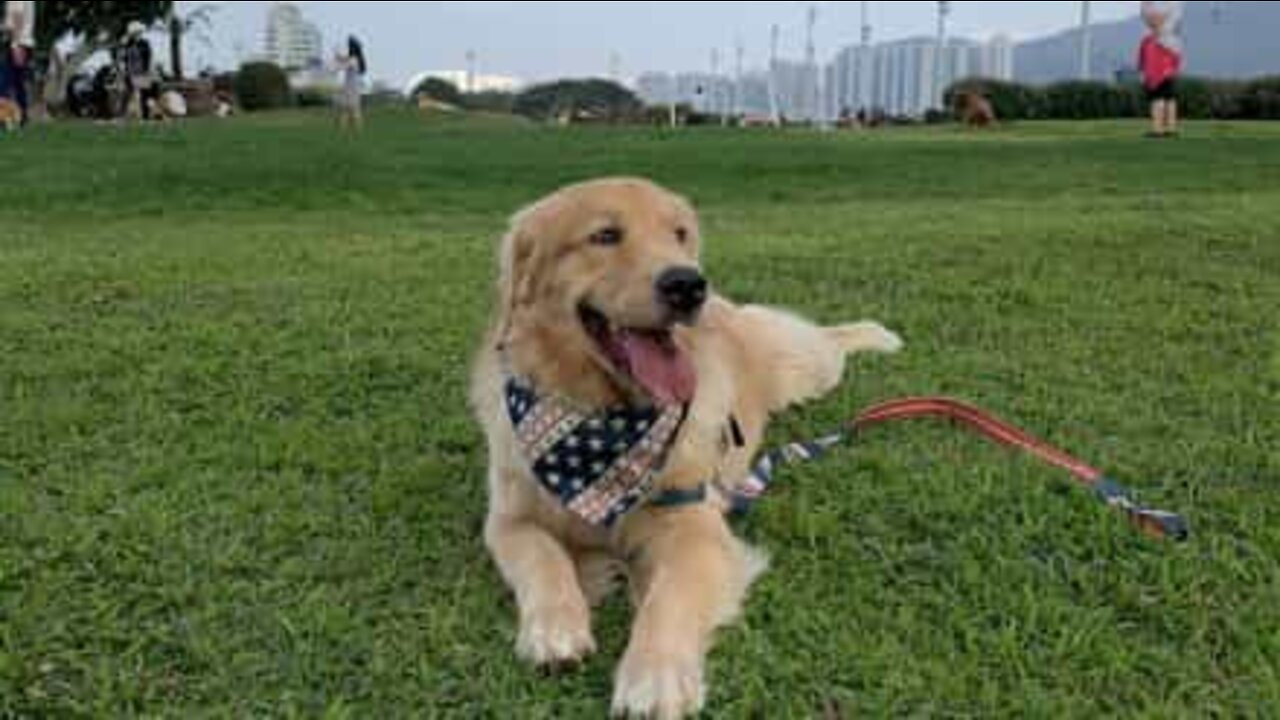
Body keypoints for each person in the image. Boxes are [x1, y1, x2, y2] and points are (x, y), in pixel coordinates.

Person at [1139, 1, 1184, 138]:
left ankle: (1157, 129)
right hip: (1170, 64)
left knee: (1157, 98)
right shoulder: (1174, 39)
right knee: (1170, 97)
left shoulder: (1153, 39)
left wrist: (1143, 71)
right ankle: (1171, 128)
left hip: (1158, 66)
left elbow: (1143, 58)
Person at [4, 0, 35, 125]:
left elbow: (18, 19)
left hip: (18, 43)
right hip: (24, 42)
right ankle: (23, 117)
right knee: (18, 83)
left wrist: (15, 45)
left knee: (4, 82)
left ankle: (5, 118)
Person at [121, 21, 156, 121]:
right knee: (127, 94)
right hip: (130, 72)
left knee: (145, 95)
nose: (137, 34)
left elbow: (148, 58)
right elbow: (124, 57)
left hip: (141, 72)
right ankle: (124, 116)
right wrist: (123, 45)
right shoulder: (128, 44)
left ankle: (146, 117)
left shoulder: (144, 43)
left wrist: (148, 71)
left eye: (138, 32)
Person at [334, 36, 367, 132]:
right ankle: (355, 131)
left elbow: (342, 65)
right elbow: (343, 60)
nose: (348, 48)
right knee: (352, 111)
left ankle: (346, 131)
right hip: (353, 87)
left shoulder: (353, 60)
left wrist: (337, 57)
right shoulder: (355, 59)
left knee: (348, 111)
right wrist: (338, 56)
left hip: (350, 88)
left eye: (349, 46)